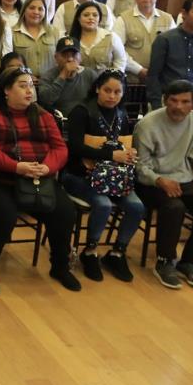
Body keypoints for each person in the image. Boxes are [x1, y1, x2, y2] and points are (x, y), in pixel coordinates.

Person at [0, 66, 80, 295]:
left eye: (31, 85)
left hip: (38, 178)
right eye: (22, 85)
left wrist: (47, 167)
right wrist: (16, 167)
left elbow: (60, 148)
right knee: (3, 215)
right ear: (6, 90)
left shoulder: (42, 114)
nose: (29, 90)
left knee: (65, 211)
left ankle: (60, 266)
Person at [133, 80, 193, 289]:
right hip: (151, 181)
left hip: (183, 178)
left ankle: (190, 262)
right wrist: (160, 180)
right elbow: (139, 166)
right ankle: (165, 262)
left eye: (185, 102)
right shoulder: (148, 124)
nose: (178, 106)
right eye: (173, 100)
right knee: (174, 207)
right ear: (165, 101)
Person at [61, 70, 145, 282]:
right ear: (97, 88)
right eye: (107, 90)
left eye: (118, 92)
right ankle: (90, 251)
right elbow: (75, 147)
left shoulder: (121, 113)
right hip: (79, 175)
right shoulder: (82, 111)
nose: (112, 96)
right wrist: (111, 154)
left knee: (137, 206)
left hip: (113, 176)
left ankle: (117, 252)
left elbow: (123, 143)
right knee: (104, 205)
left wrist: (128, 153)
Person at [147, 0, 193, 109]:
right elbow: (153, 75)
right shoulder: (165, 39)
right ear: (184, 13)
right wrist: (156, 104)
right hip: (167, 100)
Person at [113, 0, 174, 81]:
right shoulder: (123, 19)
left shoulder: (168, 19)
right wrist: (139, 70)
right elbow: (117, 50)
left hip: (160, 79)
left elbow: (174, 49)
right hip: (131, 79)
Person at [38, 36, 98, 115]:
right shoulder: (48, 76)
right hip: (59, 121)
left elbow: (99, 100)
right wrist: (62, 76)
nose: (70, 59)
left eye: (74, 55)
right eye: (65, 55)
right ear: (56, 57)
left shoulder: (90, 75)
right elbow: (45, 101)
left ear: (80, 57)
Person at [69, 1, 127, 73]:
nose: (91, 18)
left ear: (99, 18)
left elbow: (120, 61)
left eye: (95, 15)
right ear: (78, 18)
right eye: (86, 15)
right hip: (78, 82)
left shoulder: (111, 37)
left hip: (106, 82)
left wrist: (114, 78)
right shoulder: (70, 40)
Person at [12, 0, 56, 80]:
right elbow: (10, 63)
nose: (36, 12)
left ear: (45, 12)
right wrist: (25, 76)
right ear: (24, 10)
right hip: (23, 83)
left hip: (50, 83)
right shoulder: (13, 32)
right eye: (32, 8)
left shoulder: (54, 32)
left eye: (40, 9)